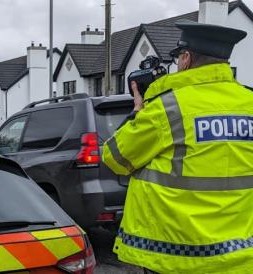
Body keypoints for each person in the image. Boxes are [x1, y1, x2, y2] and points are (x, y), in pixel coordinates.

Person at [102, 20, 252, 273]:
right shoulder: (249, 103)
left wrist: (139, 109)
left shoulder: (168, 107)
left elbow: (115, 157)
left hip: (177, 257)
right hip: (241, 256)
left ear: (186, 58)